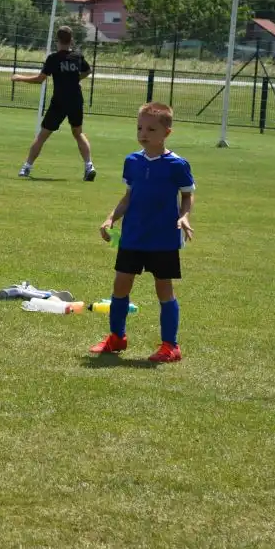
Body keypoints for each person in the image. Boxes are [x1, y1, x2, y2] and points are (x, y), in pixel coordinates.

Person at [92, 102, 195, 363]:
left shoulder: (177, 164)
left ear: (166, 133)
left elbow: (187, 195)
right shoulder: (132, 161)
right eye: (139, 127)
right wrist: (110, 218)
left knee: (164, 289)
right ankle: (117, 337)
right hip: (133, 236)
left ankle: (171, 346)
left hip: (163, 239)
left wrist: (184, 216)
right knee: (120, 286)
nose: (143, 133)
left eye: (150, 128)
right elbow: (128, 196)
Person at [11, 25, 96, 181]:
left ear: (58, 40)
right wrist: (76, 79)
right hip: (76, 100)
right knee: (78, 133)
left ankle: (26, 167)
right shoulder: (77, 56)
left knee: (42, 135)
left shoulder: (54, 58)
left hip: (59, 102)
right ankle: (89, 165)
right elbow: (88, 71)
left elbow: (40, 79)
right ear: (71, 40)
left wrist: (19, 77)